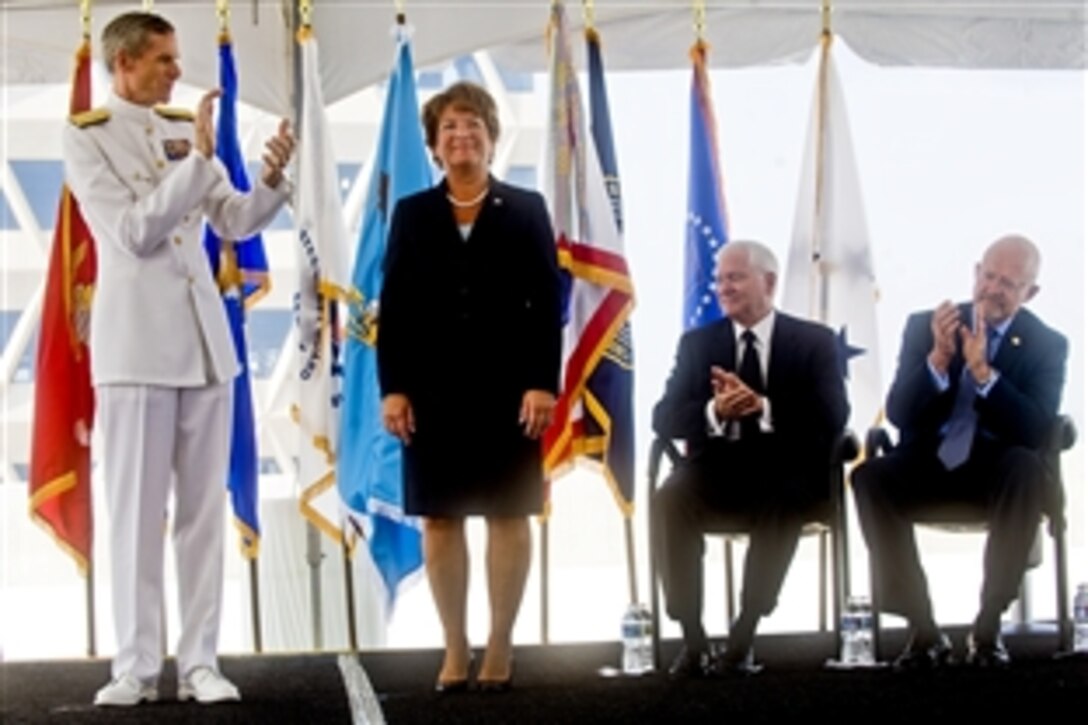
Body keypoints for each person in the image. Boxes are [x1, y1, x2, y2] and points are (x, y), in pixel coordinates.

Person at [62, 11, 294, 706]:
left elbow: (233, 220)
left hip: (204, 347)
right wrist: (195, 163)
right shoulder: (86, 140)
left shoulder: (179, 130)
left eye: (174, 58)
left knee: (201, 512)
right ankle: (135, 665)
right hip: (135, 349)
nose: (173, 71)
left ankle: (199, 660)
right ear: (124, 64)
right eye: (162, 60)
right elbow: (134, 232)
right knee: (136, 514)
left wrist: (273, 181)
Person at [377, 81, 561, 692]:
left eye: (473, 125)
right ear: (434, 144)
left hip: (510, 392)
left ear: (490, 137)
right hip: (431, 394)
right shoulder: (411, 213)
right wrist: (393, 388)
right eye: (451, 127)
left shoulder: (528, 208)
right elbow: (396, 307)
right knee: (440, 518)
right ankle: (455, 646)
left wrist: (542, 382)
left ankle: (501, 642)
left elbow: (545, 306)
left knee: (509, 514)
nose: (463, 136)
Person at [852, 234, 1066, 669]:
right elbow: (899, 414)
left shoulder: (1047, 344)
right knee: (869, 476)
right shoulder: (925, 325)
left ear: (1030, 293)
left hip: (998, 471)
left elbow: (1037, 428)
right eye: (989, 276)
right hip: (930, 461)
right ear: (975, 273)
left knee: (1026, 467)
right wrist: (938, 358)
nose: (994, 289)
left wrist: (984, 374)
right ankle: (922, 627)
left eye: (1009, 283)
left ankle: (988, 626)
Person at [651, 241, 849, 676]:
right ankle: (692, 636)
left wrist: (764, 407)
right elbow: (663, 418)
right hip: (715, 471)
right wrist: (713, 411)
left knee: (783, 494)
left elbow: (834, 416)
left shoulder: (814, 341)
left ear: (769, 282)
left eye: (735, 277)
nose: (724, 287)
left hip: (788, 471)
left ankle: (744, 632)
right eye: (719, 279)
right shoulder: (698, 344)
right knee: (669, 498)